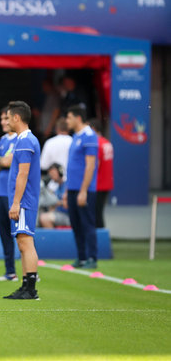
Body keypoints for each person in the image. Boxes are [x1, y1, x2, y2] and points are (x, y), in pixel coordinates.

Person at [3, 101, 41, 300]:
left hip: (24, 201)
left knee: (26, 242)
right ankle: (26, 286)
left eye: (8, 117)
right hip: (23, 200)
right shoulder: (24, 139)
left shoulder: (26, 140)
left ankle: (31, 289)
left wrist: (16, 202)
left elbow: (23, 174)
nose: (7, 121)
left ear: (16, 118)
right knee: (22, 242)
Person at [65, 105, 98, 269]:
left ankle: (92, 257)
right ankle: (82, 257)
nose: (67, 120)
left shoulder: (89, 136)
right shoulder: (75, 137)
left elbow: (90, 166)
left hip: (84, 190)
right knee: (76, 224)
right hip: (72, 189)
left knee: (87, 223)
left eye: (69, 117)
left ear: (78, 118)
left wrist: (84, 190)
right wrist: (67, 190)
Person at [0, 107, 18, 282]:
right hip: (1, 192)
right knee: (4, 233)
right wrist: (2, 161)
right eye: (1, 119)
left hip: (15, 193)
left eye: (5, 119)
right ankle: (10, 272)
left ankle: (31, 272)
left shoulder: (20, 140)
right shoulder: (2, 140)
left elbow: (9, 160)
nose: (3, 122)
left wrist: (1, 161)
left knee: (21, 234)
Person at [88, 119, 114, 228]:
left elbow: (95, 165)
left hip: (98, 184)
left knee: (96, 214)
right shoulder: (106, 142)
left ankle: (100, 240)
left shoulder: (96, 143)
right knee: (98, 213)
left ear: (93, 129)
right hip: (106, 183)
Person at [39, 163, 70, 228]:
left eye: (53, 173)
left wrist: (59, 203)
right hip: (59, 214)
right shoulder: (56, 188)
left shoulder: (68, 186)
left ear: (60, 172)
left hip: (69, 216)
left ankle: (53, 238)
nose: (51, 176)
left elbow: (67, 205)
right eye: (50, 174)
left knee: (44, 218)